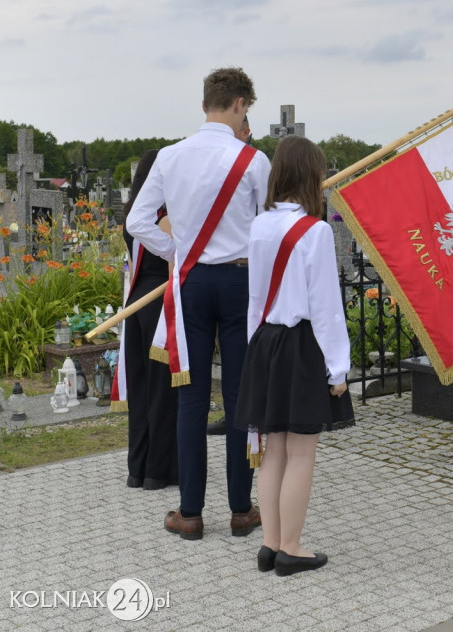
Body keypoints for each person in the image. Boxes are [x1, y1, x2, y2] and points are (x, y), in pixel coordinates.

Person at [126, 67, 271, 541]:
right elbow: (267, 228)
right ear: (239, 104)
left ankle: (189, 513)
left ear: (205, 102)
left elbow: (139, 223)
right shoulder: (253, 161)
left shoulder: (170, 157)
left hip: (188, 283)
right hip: (238, 282)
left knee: (190, 397)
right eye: (246, 107)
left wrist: (179, 253)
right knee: (237, 396)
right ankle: (240, 509)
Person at [234, 135, 353, 576]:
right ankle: (292, 548)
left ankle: (269, 545)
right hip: (302, 345)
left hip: (264, 343)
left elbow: (254, 298)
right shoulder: (316, 231)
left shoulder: (260, 226)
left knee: (273, 451)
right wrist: (338, 366)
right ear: (311, 175)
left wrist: (254, 349)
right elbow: (325, 307)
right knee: (301, 453)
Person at [122, 149, 178, 490]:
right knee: (162, 388)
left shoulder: (131, 214)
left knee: (141, 388)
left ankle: (137, 468)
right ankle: (160, 470)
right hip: (160, 300)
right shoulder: (164, 215)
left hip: (136, 303)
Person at [208, 114, 254, 439]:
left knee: (243, 358)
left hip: (247, 271)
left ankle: (248, 414)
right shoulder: (215, 165)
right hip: (214, 273)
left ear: (246, 132)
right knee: (228, 357)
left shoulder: (255, 166)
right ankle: (232, 413)